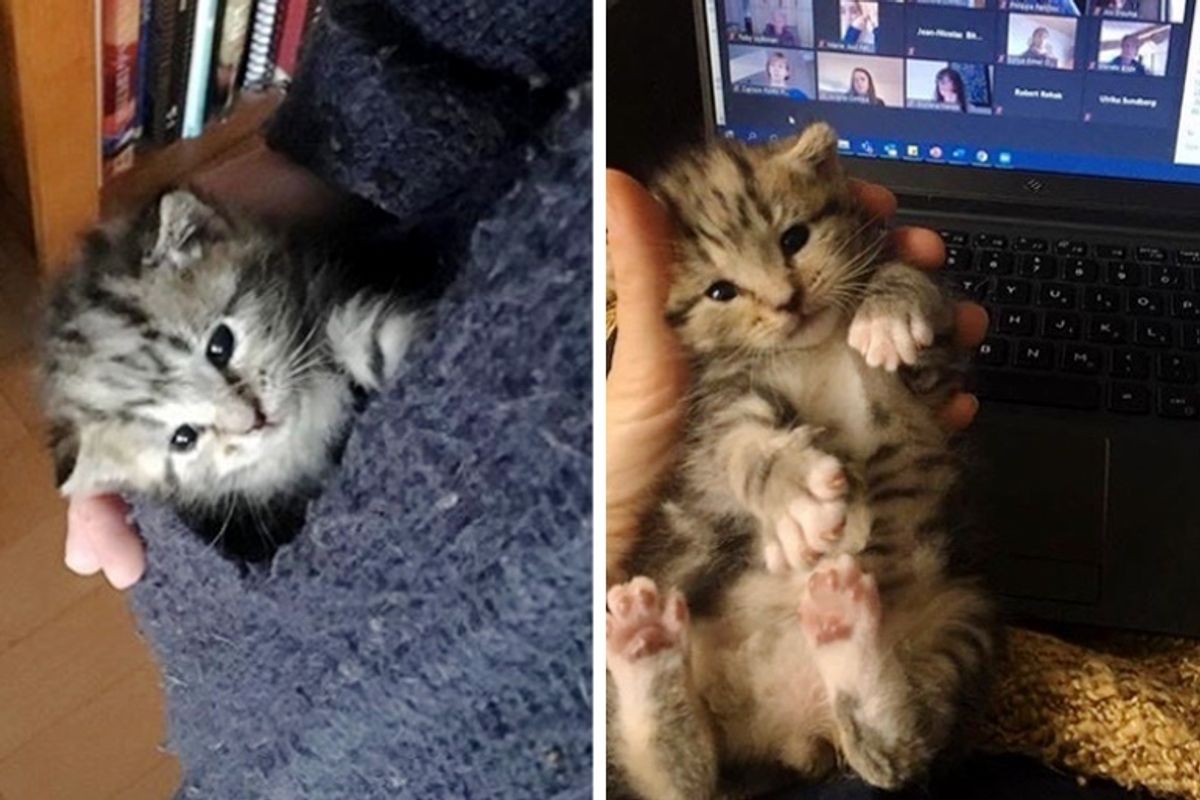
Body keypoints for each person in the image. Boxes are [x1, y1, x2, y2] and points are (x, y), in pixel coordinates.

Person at [606, 171, 989, 581]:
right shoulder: (730, 381)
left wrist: (900, 291)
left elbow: (923, 321)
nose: (783, 297)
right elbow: (737, 447)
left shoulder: (872, 277)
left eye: (793, 242)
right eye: (722, 292)